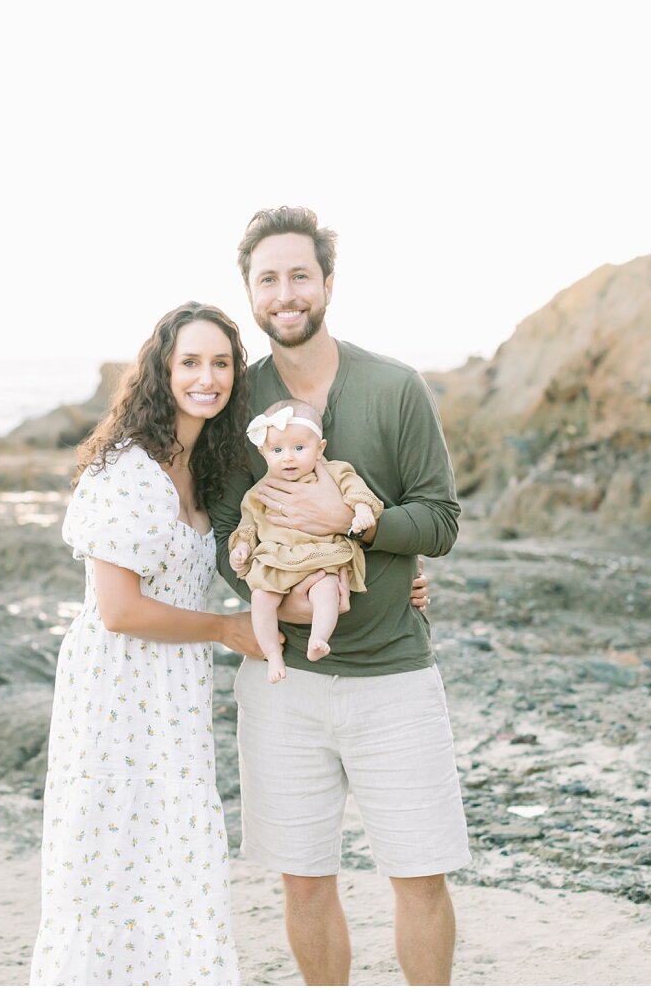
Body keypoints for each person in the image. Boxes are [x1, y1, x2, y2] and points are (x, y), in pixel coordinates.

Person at [208, 207, 471, 986]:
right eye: (267, 279)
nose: (284, 293)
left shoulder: (394, 387)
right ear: (250, 293)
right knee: (302, 876)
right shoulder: (232, 400)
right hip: (283, 683)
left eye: (298, 275)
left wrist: (353, 526)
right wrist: (279, 609)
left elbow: (442, 518)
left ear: (326, 283)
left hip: (394, 676)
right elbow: (223, 528)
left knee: (420, 873)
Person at [29, 301, 263, 987]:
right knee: (109, 862)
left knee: (170, 859)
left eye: (220, 362)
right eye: (189, 361)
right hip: (115, 697)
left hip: (172, 695)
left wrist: (400, 584)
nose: (206, 376)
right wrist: (225, 629)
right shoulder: (128, 469)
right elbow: (120, 609)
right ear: (161, 371)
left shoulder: (203, 467)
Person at [228, 398, 382, 681]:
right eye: (277, 450)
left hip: (319, 556)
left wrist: (361, 510)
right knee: (261, 598)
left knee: (326, 589)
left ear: (319, 448)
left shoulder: (333, 472)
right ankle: (273, 653)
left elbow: (354, 488)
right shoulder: (259, 491)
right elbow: (248, 524)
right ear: (263, 452)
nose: (288, 457)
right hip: (278, 559)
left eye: (299, 448)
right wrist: (241, 548)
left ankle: (318, 638)